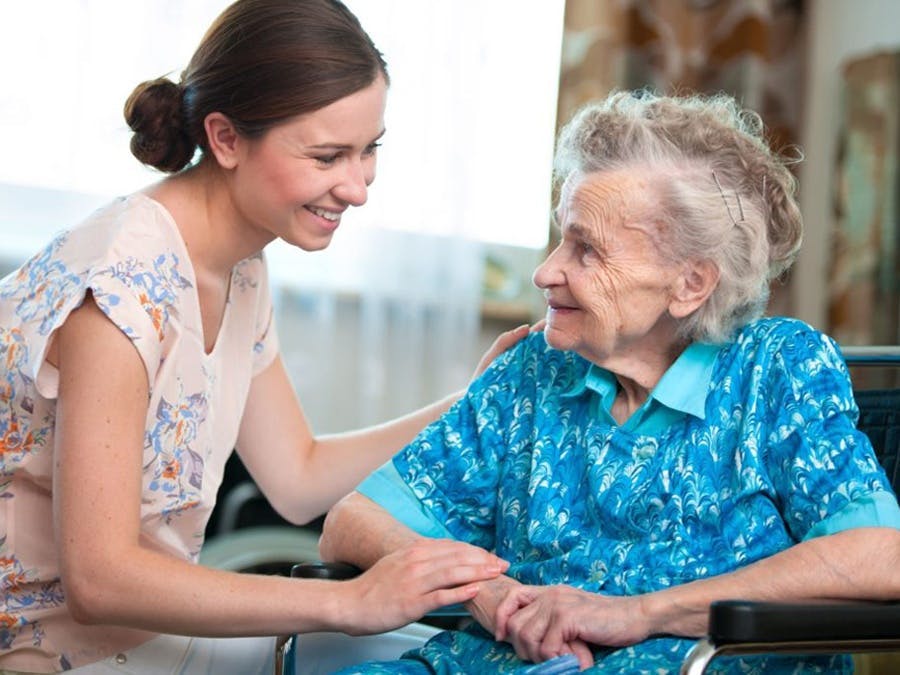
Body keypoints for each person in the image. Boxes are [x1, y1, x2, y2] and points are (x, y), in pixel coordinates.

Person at [0, 1, 525, 672]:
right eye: (328, 155)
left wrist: (475, 398)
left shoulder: (239, 262)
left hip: (142, 642)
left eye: (370, 150)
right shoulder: (121, 289)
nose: (358, 187)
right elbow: (100, 579)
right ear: (225, 139)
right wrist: (352, 600)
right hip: (42, 651)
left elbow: (297, 476)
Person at [319, 89, 900, 674]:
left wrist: (638, 613)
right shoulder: (534, 369)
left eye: (587, 250)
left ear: (689, 285)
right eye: (560, 238)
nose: (546, 272)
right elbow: (351, 523)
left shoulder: (777, 370)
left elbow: (880, 557)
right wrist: (485, 595)